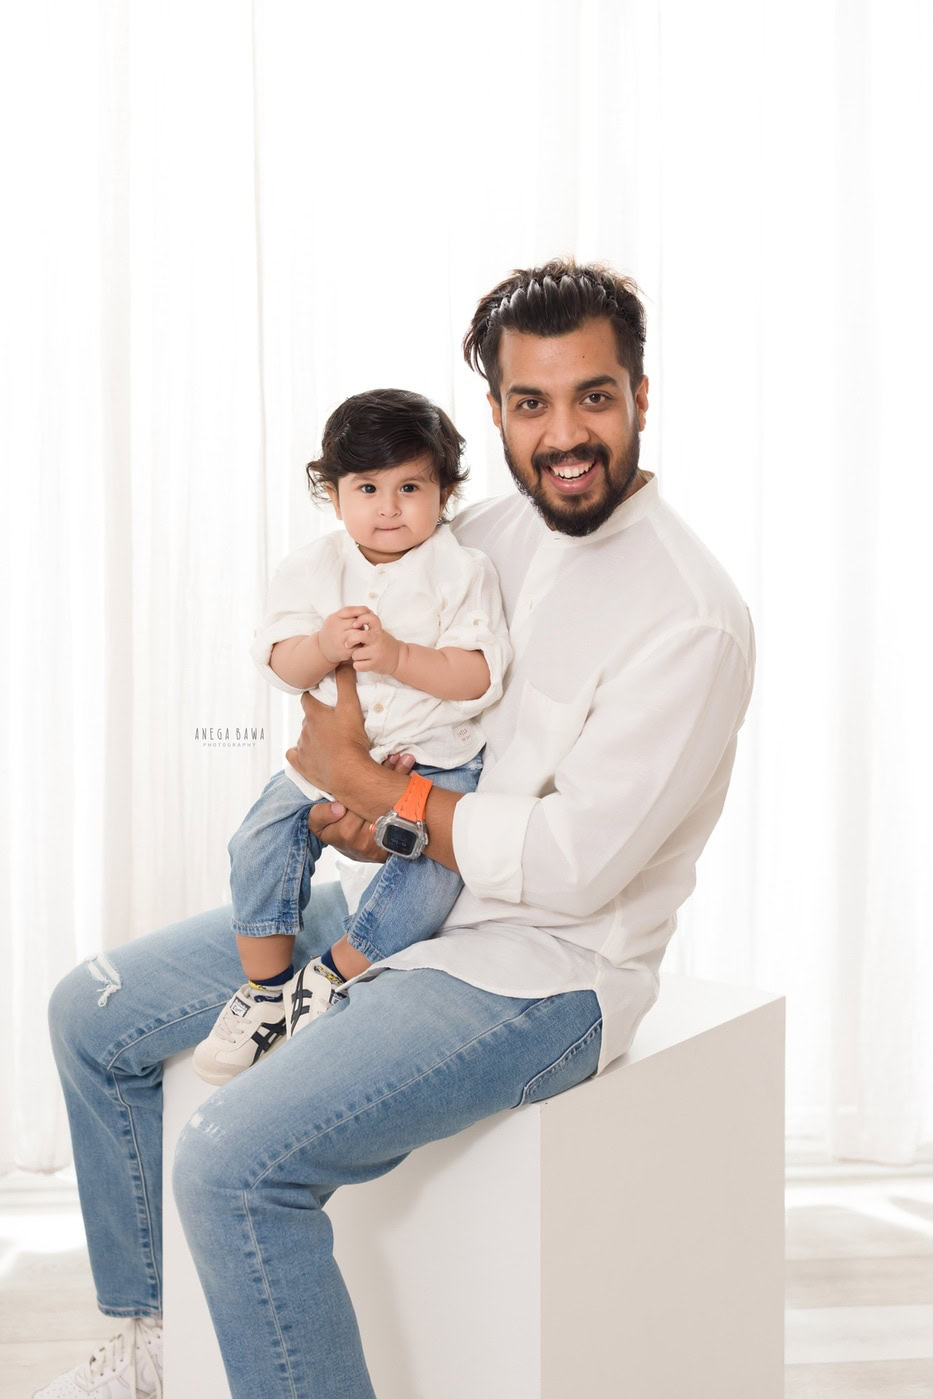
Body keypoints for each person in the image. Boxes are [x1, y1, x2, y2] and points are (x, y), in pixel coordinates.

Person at [41, 258, 755, 1399]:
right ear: (498, 412)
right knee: (94, 1012)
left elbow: (574, 869)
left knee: (233, 1162)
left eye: (595, 396)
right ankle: (153, 1340)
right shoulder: (482, 536)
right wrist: (373, 819)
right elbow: (404, 709)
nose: (565, 434)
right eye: (533, 402)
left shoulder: (691, 617)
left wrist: (386, 799)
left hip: (543, 971)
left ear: (642, 395)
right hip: (411, 895)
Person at [193, 388, 511, 1086]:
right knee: (260, 836)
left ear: (445, 493)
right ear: (333, 494)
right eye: (367, 487)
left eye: (410, 486)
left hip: (435, 759)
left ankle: (335, 972)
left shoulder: (462, 571)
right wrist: (317, 644)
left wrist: (399, 657)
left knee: (435, 868)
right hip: (323, 762)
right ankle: (267, 989)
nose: (389, 506)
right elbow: (278, 662)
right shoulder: (309, 569)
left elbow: (479, 674)